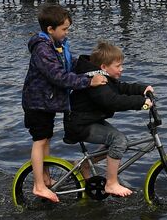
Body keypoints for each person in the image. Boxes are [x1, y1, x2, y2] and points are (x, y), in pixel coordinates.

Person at [22, 6, 106, 203]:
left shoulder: (56, 45)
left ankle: (45, 177)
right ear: (51, 29)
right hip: (36, 103)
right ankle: (38, 185)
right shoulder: (42, 49)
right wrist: (88, 82)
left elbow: (70, 65)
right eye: (64, 29)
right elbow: (59, 76)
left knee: (46, 139)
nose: (67, 33)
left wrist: (94, 70)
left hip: (47, 103)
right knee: (39, 141)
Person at [66, 41, 154, 197]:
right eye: (118, 66)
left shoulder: (104, 77)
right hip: (80, 124)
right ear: (104, 67)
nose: (122, 69)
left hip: (89, 119)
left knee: (121, 142)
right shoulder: (96, 80)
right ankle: (111, 183)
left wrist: (142, 89)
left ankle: (85, 165)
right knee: (119, 141)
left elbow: (120, 88)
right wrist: (142, 104)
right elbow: (112, 101)